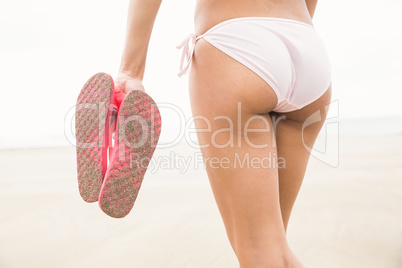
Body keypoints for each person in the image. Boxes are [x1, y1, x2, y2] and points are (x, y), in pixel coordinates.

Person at [116, 0, 332, 267]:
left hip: (237, 44)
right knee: (274, 249)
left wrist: (130, 70)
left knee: (261, 253)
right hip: (306, 47)